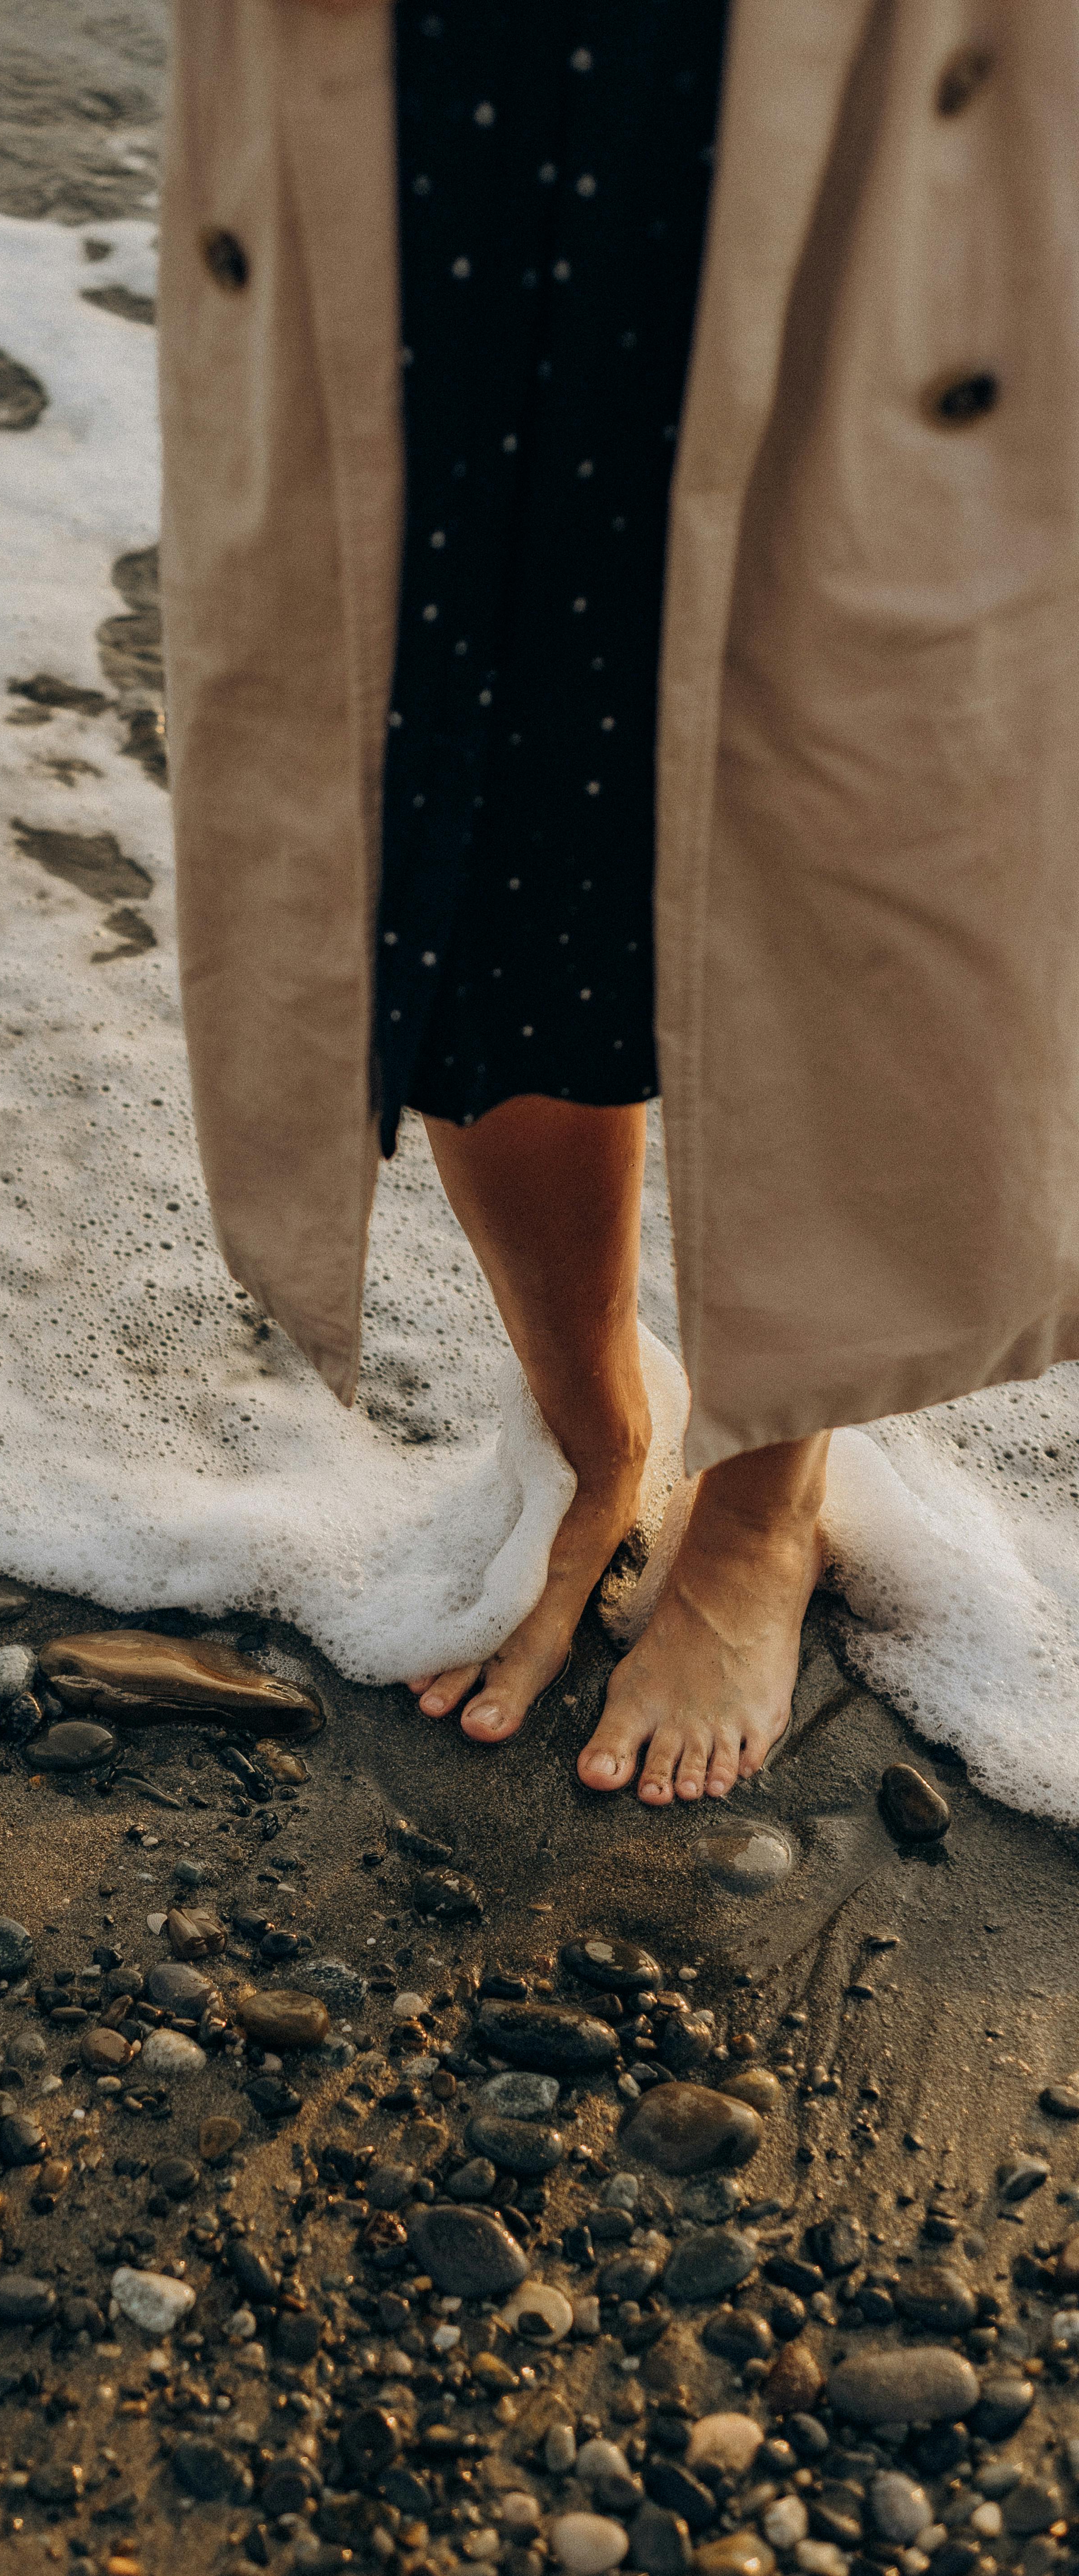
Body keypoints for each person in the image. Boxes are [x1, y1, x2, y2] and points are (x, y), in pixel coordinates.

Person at [157, 1, 1079, 1806]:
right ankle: (597, 1422)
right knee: (441, 824)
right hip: (452, 79)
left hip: (843, 71)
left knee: (827, 829)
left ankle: (762, 1503)